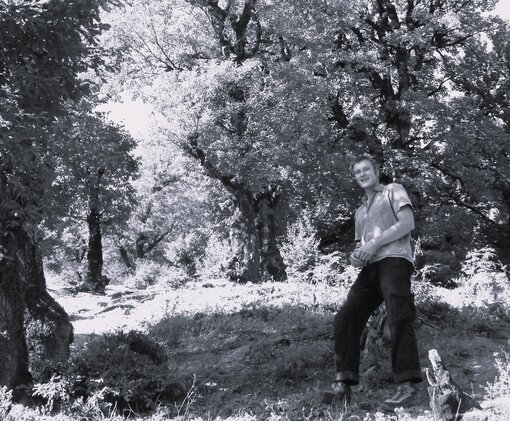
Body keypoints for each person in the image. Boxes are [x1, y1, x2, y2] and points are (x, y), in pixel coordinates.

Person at [324, 155, 422, 409]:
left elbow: (408, 223)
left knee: (398, 316)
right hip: (370, 270)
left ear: (376, 172)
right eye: (357, 172)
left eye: (366, 169)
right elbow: (361, 246)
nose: (362, 174)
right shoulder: (359, 212)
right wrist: (355, 256)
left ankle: (407, 385)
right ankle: (344, 385)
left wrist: (375, 244)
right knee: (345, 318)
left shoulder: (393, 191)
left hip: (395, 261)